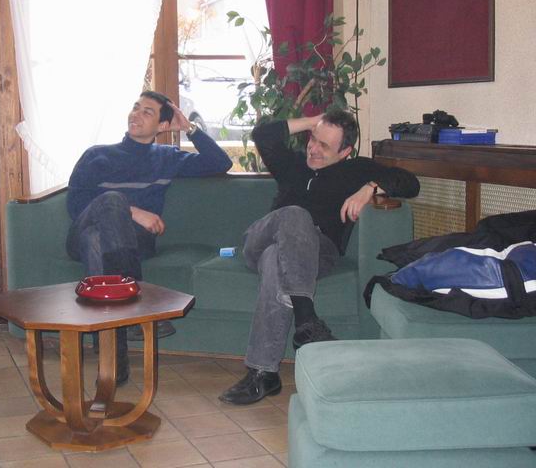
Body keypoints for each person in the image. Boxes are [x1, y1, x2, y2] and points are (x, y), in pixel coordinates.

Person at [219, 110, 420, 405]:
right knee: (294, 215)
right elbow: (263, 135)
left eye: (324, 146)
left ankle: (263, 373)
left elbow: (410, 183)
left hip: (317, 253)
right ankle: (307, 318)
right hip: (263, 240)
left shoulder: (358, 170)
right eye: (313, 139)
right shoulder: (292, 165)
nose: (313, 148)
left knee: (276, 260)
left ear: (346, 152)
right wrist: (312, 122)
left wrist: (370, 187)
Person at [66, 90, 232, 384]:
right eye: (135, 107)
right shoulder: (96, 155)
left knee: (97, 241)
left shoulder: (167, 158)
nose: (136, 114)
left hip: (134, 243)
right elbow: (75, 205)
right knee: (110, 205)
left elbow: (220, 163)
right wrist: (134, 212)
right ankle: (137, 307)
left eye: (147, 112)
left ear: (163, 126)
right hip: (79, 234)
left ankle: (113, 357)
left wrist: (190, 128)